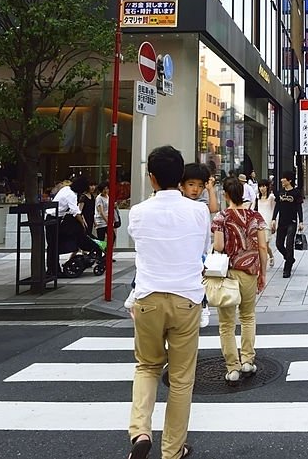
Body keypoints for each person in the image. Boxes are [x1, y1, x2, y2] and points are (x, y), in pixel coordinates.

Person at [126, 146, 210, 459]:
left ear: (152, 178)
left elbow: (140, 244)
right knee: (181, 379)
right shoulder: (199, 212)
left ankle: (140, 431)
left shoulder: (138, 212)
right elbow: (202, 251)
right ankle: (173, 450)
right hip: (186, 299)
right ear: (181, 178)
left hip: (147, 298)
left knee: (147, 366)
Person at [211, 177, 268, 384]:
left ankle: (232, 368)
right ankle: (247, 360)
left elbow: (218, 247)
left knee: (226, 323)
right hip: (249, 272)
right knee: (248, 317)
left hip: (227, 273)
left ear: (226, 195)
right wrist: (262, 273)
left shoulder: (221, 217)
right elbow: (262, 247)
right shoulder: (255, 216)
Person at [47, 176, 90, 276]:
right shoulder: (72, 195)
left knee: (52, 245)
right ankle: (53, 270)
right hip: (54, 218)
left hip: (51, 217)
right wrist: (82, 224)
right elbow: (75, 211)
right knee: (53, 245)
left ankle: (53, 269)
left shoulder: (65, 189)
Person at [271, 171, 304, 278]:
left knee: (289, 244)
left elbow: (299, 208)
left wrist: (301, 221)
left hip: (292, 222)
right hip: (282, 222)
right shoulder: (280, 192)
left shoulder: (296, 193)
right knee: (279, 244)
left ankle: (287, 267)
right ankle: (289, 258)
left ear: (289, 180)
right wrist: (273, 219)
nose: (281, 180)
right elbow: (277, 206)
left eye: (284, 178)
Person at [255, 180, 277, 268]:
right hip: (258, 224)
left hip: (267, 223)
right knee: (260, 244)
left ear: (267, 187)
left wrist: (274, 222)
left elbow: (274, 210)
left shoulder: (271, 197)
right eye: (260, 187)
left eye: (263, 186)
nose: (262, 188)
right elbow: (253, 208)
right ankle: (262, 261)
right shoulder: (257, 197)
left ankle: (270, 256)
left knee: (265, 245)